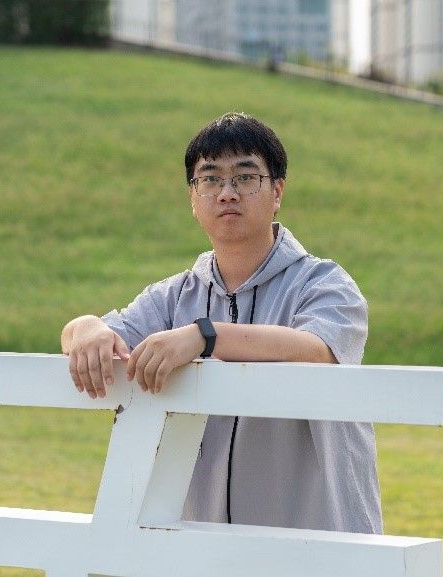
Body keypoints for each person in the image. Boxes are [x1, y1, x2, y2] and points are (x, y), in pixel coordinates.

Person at [61, 112, 382, 534]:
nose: (227, 193)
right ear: (193, 199)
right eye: (210, 179)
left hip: (317, 536)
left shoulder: (324, 282)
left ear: (277, 191)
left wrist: (205, 337)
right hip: (203, 541)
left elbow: (319, 349)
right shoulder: (174, 296)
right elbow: (101, 335)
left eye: (245, 177)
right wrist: (86, 328)